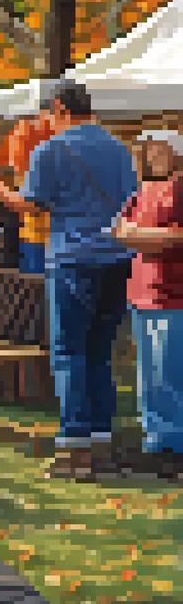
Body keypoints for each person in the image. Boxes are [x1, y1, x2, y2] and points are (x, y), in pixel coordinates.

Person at [0, 80, 138, 481]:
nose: (45, 123)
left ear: (59, 109)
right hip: (119, 259)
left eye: (46, 116)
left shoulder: (50, 149)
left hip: (74, 260)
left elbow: (33, 205)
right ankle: (102, 445)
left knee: (69, 354)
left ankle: (74, 450)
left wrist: (0, 191)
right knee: (100, 354)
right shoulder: (120, 148)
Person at [112, 130, 183, 479]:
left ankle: (173, 447)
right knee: (150, 375)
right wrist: (145, 236)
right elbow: (119, 228)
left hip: (174, 293)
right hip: (142, 293)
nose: (152, 157)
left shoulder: (181, 188)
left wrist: (141, 236)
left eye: (159, 151)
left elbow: (176, 236)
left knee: (170, 373)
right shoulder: (143, 190)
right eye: (148, 151)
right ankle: (155, 442)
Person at [0, 114, 57, 275]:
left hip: (40, 235)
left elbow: (33, 204)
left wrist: (1, 191)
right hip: (39, 234)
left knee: (36, 286)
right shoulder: (50, 132)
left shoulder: (29, 133)